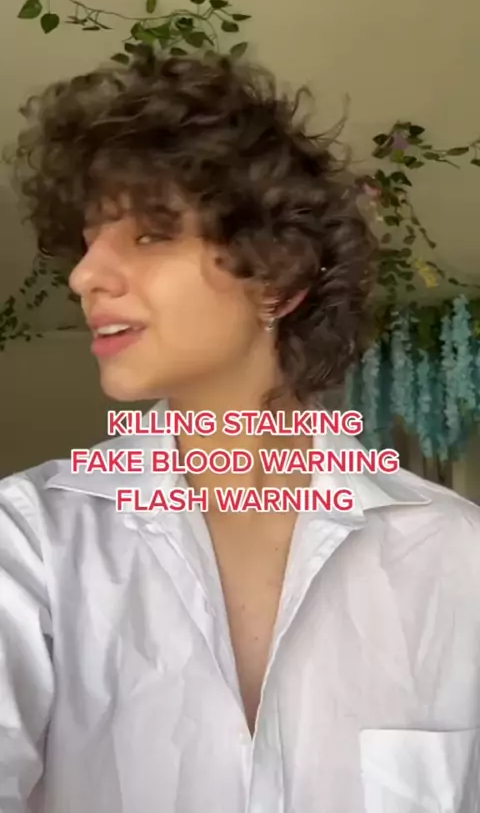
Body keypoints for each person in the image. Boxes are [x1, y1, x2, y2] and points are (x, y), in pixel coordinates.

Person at [1, 52, 479, 813]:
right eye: (89, 240)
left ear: (278, 278)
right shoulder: (28, 545)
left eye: (150, 235)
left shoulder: (456, 557)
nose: (85, 275)